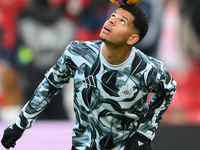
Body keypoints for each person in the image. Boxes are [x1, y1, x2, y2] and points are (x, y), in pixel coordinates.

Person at [1, 4, 177, 150]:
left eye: (121, 21)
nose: (111, 21)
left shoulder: (148, 69)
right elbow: (48, 86)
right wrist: (19, 125)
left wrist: (144, 133)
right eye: (113, 16)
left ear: (132, 38)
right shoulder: (77, 53)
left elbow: (169, 90)